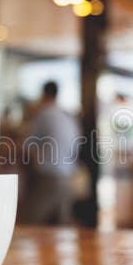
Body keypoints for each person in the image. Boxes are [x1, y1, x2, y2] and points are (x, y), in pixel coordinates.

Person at [22, 81, 81, 224]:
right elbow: (76, 149)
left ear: (44, 94)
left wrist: (33, 168)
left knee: (28, 224)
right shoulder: (68, 118)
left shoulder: (44, 114)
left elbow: (28, 146)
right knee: (60, 229)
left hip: (48, 177)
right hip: (67, 179)